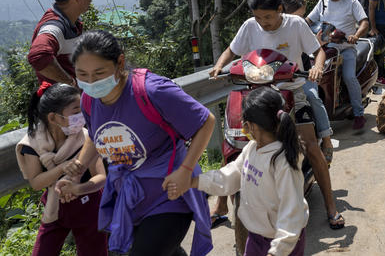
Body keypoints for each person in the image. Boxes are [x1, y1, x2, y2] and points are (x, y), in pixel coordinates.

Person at [65, 30, 215, 256]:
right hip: (129, 198)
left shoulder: (152, 91)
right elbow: (97, 137)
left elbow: (206, 121)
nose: (91, 82)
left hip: (169, 194)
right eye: (82, 74)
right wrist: (78, 166)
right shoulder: (89, 100)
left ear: (120, 63)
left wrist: (185, 171)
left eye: (99, 73)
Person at [209, 0, 345, 230]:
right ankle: (220, 206)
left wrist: (316, 67)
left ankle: (330, 206)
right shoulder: (250, 26)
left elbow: (318, 51)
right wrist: (220, 66)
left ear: (280, 10)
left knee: (310, 146)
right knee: (235, 142)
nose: (263, 23)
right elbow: (232, 50)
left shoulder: (295, 24)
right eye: (259, 17)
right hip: (257, 91)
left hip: (292, 89)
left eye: (268, 17)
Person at [172, 87, 308, 256]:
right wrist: (194, 181)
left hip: (284, 245)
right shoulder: (252, 148)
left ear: (250, 125)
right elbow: (231, 175)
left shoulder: (283, 161)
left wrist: (277, 251)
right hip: (257, 237)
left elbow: (292, 211)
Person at [15, 83, 108, 256]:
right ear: (53, 118)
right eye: (75, 112)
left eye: (81, 109)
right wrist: (62, 169)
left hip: (89, 207)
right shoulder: (32, 144)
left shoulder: (86, 137)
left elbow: (101, 177)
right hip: (54, 208)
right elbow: (36, 182)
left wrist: (78, 189)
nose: (82, 116)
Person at [306, 0, 369, 129]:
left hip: (346, 48)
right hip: (323, 48)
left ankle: (358, 114)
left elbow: (364, 22)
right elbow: (309, 20)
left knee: (348, 77)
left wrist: (355, 35)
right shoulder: (322, 2)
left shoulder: (352, 2)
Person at [280, 0, 338, 149]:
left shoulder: (300, 26)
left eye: (302, 16)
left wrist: (317, 45)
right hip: (276, 80)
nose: (300, 20)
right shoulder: (267, 29)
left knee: (313, 97)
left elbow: (316, 50)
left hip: (301, 75)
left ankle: (326, 138)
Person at [28, 0, 102, 90]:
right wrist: (70, 82)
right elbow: (38, 56)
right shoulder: (54, 27)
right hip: (63, 104)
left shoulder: (71, 22)